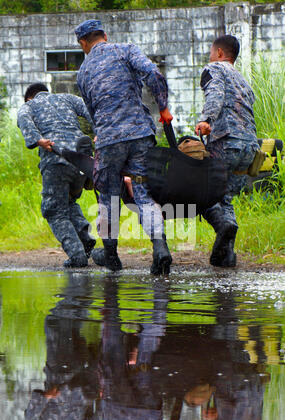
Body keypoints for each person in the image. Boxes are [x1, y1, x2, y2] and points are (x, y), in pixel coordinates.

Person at [74, 19, 173, 275]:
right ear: (105, 35)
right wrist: (162, 106)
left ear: (83, 43)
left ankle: (111, 256)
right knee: (143, 193)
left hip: (109, 142)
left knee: (108, 199)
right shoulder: (126, 49)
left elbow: (91, 110)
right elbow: (153, 73)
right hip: (140, 135)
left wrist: (101, 132)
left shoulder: (83, 72)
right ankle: (160, 248)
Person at [195, 35, 259, 267]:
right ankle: (226, 256)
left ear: (220, 53)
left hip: (225, 141)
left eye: (212, 52)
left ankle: (223, 229)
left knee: (202, 193)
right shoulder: (243, 80)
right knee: (225, 198)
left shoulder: (215, 68)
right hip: (250, 147)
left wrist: (207, 120)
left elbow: (216, 94)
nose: (210, 56)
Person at [17, 82, 97, 268]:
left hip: (56, 157)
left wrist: (37, 140)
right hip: (81, 159)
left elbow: (23, 118)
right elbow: (89, 108)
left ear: (29, 97)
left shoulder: (30, 105)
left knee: (54, 210)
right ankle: (84, 237)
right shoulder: (67, 98)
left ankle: (77, 255)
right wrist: (98, 132)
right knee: (68, 201)